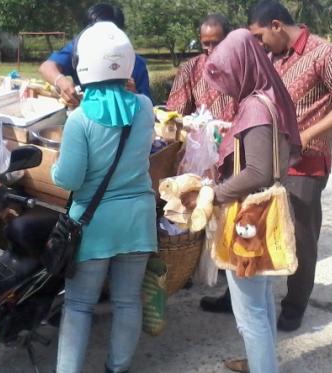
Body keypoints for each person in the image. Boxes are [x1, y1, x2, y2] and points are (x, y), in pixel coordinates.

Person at [200, 1, 332, 334]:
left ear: (276, 25)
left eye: (259, 36)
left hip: (306, 162)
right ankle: (238, 297)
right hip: (264, 160)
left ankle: (294, 305)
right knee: (249, 228)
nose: (257, 44)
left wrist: (303, 135)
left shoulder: (325, 54)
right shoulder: (269, 56)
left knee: (299, 237)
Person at [188, 28, 301, 373]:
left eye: (228, 72)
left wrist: (213, 193)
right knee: (262, 300)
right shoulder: (269, 97)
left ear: (243, 66)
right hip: (263, 215)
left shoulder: (255, 108)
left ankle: (262, 366)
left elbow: (257, 172)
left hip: (248, 220)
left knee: (249, 314)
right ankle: (260, 361)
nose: (226, 83)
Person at [51, 21, 157, 373]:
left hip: (93, 225)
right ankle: (117, 368)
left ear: (84, 65)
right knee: (128, 301)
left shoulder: (79, 120)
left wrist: (54, 167)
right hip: (139, 221)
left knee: (79, 305)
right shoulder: (143, 107)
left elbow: (69, 178)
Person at [39, 3, 152, 108]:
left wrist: (134, 95)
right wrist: (60, 80)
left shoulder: (137, 64)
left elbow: (147, 106)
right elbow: (47, 67)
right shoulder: (79, 49)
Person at [166, 13, 234, 121]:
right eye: (206, 43)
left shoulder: (242, 68)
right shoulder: (189, 69)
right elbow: (175, 115)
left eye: (216, 43)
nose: (210, 49)